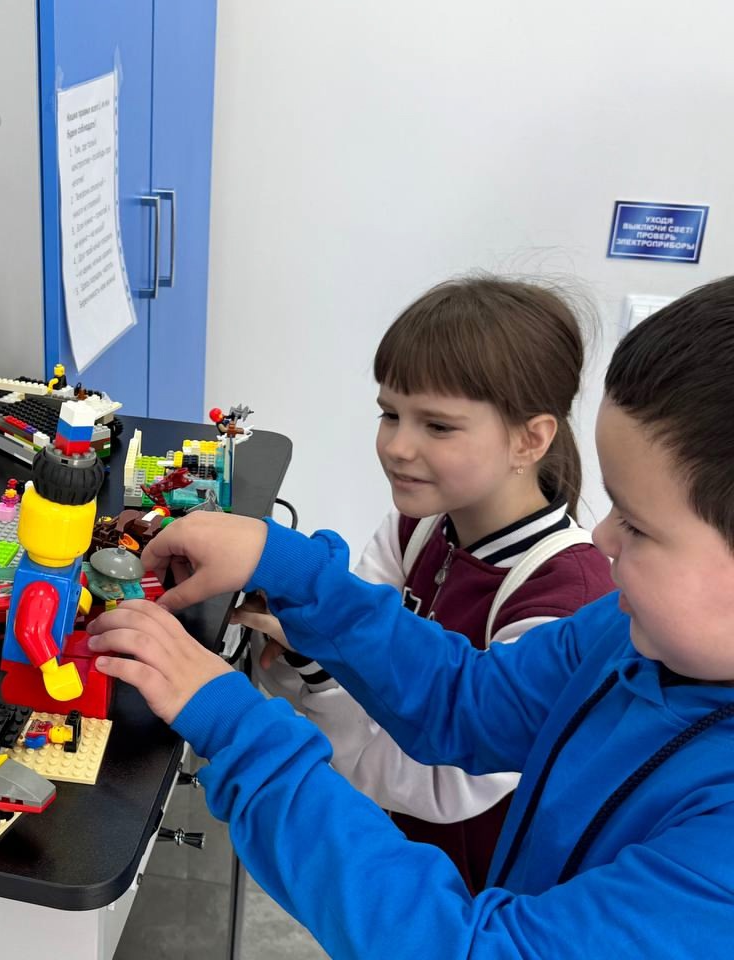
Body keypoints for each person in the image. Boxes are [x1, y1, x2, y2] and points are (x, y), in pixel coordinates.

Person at [87, 277, 734, 957]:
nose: (603, 537)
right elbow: (468, 703)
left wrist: (242, 730)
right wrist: (287, 564)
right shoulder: (628, 634)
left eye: (639, 525)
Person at [236, 276, 614, 891]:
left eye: (437, 426)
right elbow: (338, 681)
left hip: (467, 895)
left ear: (530, 439)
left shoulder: (563, 599)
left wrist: (313, 661)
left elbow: (433, 781)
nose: (397, 446)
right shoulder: (416, 527)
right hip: (395, 847)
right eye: (390, 413)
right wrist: (288, 636)